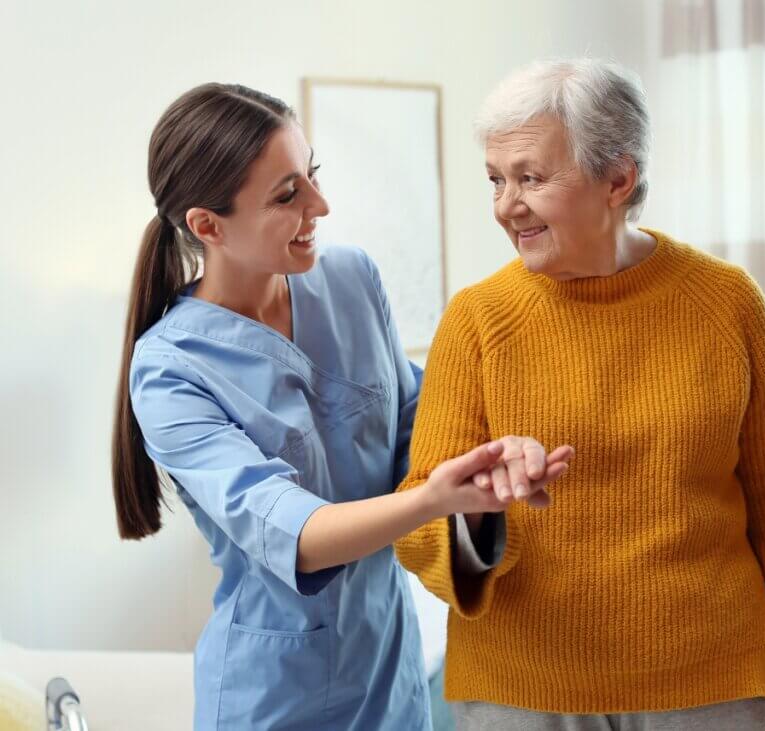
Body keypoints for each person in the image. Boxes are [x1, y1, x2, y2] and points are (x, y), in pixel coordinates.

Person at [110, 83, 572, 730]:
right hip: (275, 698)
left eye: (312, 174)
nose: (321, 205)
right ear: (207, 226)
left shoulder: (351, 279)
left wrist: (490, 462)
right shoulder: (170, 370)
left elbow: (417, 424)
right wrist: (433, 499)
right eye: (287, 195)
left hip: (391, 674)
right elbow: (293, 534)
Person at [395, 59, 765, 731]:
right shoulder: (476, 320)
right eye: (496, 179)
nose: (506, 204)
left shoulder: (727, 302)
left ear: (618, 180)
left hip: (712, 687)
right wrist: (481, 506)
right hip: (520, 691)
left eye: (530, 177)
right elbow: (418, 528)